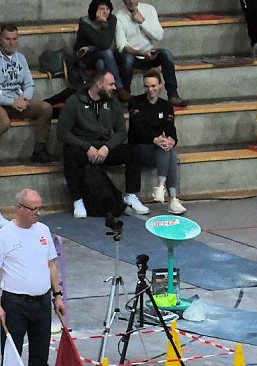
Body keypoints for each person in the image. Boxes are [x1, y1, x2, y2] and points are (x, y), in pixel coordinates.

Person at [0, 188, 66, 366]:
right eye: (32, 209)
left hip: (41, 302)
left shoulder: (43, 231)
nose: (37, 213)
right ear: (19, 208)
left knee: (40, 356)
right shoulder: (3, 236)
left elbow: (51, 265)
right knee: (12, 356)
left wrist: (58, 295)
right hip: (14, 303)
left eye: (39, 208)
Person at [57, 71, 147, 218]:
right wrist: (86, 147)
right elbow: (62, 133)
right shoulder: (74, 102)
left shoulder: (113, 102)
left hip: (105, 148)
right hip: (84, 148)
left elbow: (121, 133)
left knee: (134, 151)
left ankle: (131, 195)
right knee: (70, 154)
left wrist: (107, 147)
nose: (114, 87)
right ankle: (78, 200)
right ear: (99, 84)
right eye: (110, 84)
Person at [0, 24, 57, 164]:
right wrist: (12, 102)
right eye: (7, 39)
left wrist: (24, 98)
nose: (11, 42)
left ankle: (39, 151)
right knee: (4, 123)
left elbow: (29, 84)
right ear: (0, 38)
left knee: (45, 108)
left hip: (17, 101)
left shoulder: (21, 58)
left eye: (14, 39)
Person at [128, 69, 185, 214]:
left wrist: (172, 140)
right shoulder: (135, 102)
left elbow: (171, 129)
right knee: (166, 149)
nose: (150, 89)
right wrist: (155, 139)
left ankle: (167, 194)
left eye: (153, 86)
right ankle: (168, 195)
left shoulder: (166, 106)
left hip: (158, 149)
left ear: (160, 85)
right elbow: (137, 127)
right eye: (147, 86)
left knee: (169, 149)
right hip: (139, 147)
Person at [114, 0, 187, 106]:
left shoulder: (149, 9)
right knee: (127, 59)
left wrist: (142, 22)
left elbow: (159, 35)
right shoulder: (119, 16)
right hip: (132, 55)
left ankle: (173, 95)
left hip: (150, 54)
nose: (131, 1)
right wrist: (141, 53)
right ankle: (125, 94)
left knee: (166, 55)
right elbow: (121, 46)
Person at [74, 0, 125, 98]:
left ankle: (107, 94)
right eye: (102, 8)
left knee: (101, 63)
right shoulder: (85, 23)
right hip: (85, 58)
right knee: (107, 53)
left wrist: (91, 47)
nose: (105, 12)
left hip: (99, 55)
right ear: (95, 10)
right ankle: (118, 87)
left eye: (107, 9)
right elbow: (104, 44)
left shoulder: (112, 19)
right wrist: (104, 24)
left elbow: (107, 42)